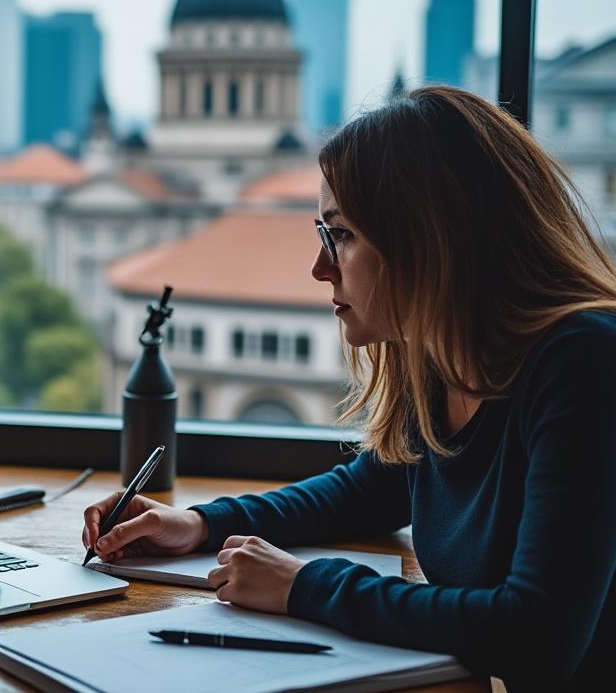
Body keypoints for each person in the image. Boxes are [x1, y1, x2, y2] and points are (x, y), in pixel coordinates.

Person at [82, 86, 616, 691]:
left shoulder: (583, 361)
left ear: (426, 241)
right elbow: (372, 487)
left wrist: (306, 586)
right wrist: (200, 524)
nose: (320, 266)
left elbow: (538, 637)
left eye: (341, 234)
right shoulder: (444, 360)